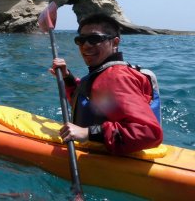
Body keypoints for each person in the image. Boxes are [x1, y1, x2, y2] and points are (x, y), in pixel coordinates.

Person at [49, 13, 163, 155]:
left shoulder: (116, 77)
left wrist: (88, 133)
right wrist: (67, 77)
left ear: (115, 43)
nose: (86, 46)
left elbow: (149, 133)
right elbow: (89, 103)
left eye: (94, 39)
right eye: (81, 40)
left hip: (117, 163)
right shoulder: (104, 73)